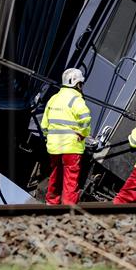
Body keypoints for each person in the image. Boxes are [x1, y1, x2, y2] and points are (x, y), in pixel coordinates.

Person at [40, 68, 91, 205]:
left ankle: (51, 201)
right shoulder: (76, 99)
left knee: (55, 174)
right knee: (70, 176)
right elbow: (85, 119)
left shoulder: (53, 99)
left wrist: (49, 137)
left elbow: (44, 124)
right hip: (71, 146)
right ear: (78, 84)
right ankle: (68, 205)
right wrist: (84, 133)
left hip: (54, 146)